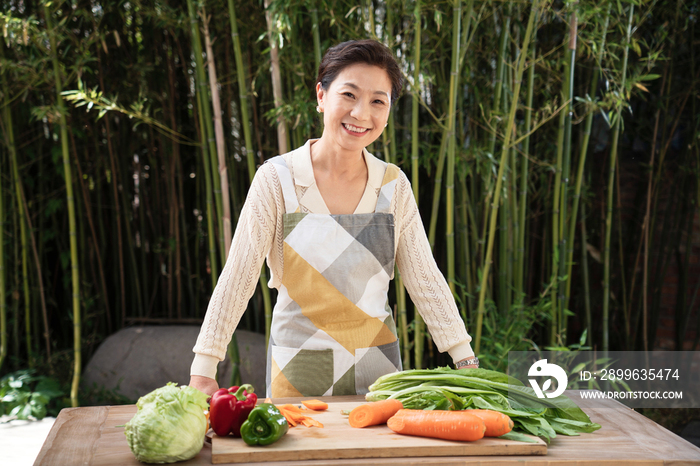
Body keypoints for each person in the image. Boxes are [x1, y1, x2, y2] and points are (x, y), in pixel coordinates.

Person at [189, 39, 478, 398]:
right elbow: (239, 276)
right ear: (322, 96)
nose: (361, 114)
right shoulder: (277, 179)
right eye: (349, 95)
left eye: (378, 101)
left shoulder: (393, 185)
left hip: (379, 375)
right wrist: (204, 366)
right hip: (298, 372)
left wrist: (466, 361)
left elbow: (424, 278)